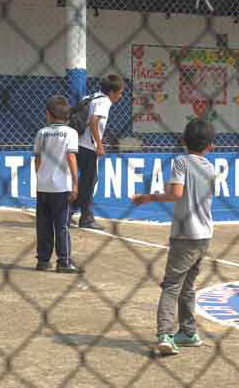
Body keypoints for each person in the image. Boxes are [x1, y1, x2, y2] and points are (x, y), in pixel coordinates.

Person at [130, 119, 216, 356]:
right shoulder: (210, 167)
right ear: (210, 146)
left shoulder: (181, 162)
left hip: (185, 234)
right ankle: (188, 332)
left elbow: (176, 193)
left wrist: (148, 197)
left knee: (171, 285)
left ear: (183, 141)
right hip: (204, 234)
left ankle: (166, 334)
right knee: (188, 286)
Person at [33, 95, 82, 274]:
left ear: (48, 114)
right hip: (61, 187)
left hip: (43, 185)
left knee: (43, 225)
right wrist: (76, 183)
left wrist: (39, 178)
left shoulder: (41, 133)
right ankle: (64, 261)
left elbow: (37, 160)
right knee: (62, 225)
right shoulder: (70, 133)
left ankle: (43, 260)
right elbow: (71, 157)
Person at [73, 75, 125, 230]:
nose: (120, 96)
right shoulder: (105, 101)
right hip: (88, 147)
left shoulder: (90, 97)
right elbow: (94, 121)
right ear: (111, 92)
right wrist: (99, 145)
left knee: (87, 181)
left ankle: (71, 211)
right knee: (89, 182)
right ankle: (86, 218)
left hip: (78, 144)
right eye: (119, 93)